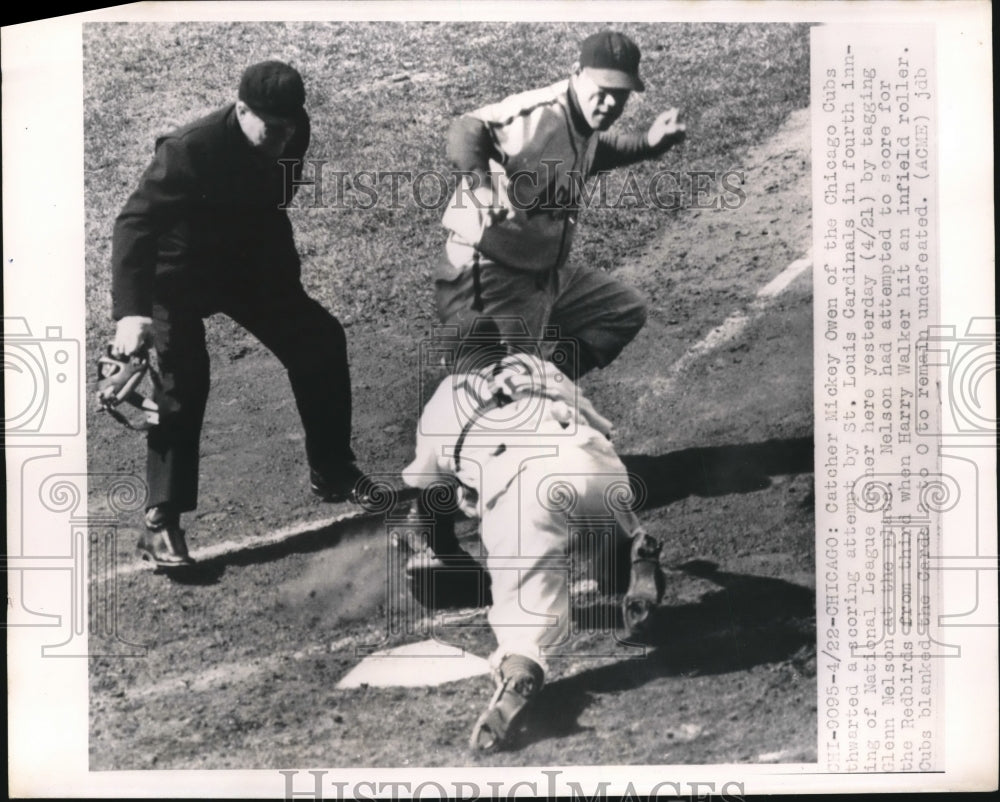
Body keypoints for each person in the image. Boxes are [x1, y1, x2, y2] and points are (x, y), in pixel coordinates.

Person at [109, 60, 369, 568]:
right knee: (184, 382)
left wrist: (270, 271)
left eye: (290, 126)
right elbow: (133, 225)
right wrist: (131, 314)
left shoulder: (292, 128)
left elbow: (275, 198)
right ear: (242, 109)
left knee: (318, 339)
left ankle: (333, 469)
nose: (283, 137)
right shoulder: (188, 149)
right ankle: (161, 521)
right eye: (272, 128)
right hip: (176, 272)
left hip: (246, 264)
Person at [401, 322, 666, 752]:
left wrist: (445, 549)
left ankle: (519, 668)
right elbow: (604, 430)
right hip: (588, 463)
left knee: (524, 629)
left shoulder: (441, 402)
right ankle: (632, 556)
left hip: (520, 492)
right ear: (501, 348)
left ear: (450, 363)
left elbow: (427, 495)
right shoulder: (537, 367)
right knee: (610, 546)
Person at [436, 30, 687, 380]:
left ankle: (549, 382)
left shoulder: (584, 125)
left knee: (621, 310)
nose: (610, 103)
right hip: (487, 277)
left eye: (620, 95)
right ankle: (520, 392)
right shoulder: (540, 115)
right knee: (497, 401)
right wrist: (480, 188)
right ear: (575, 72)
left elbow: (599, 151)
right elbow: (467, 129)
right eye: (603, 91)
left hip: (542, 278)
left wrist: (649, 143)